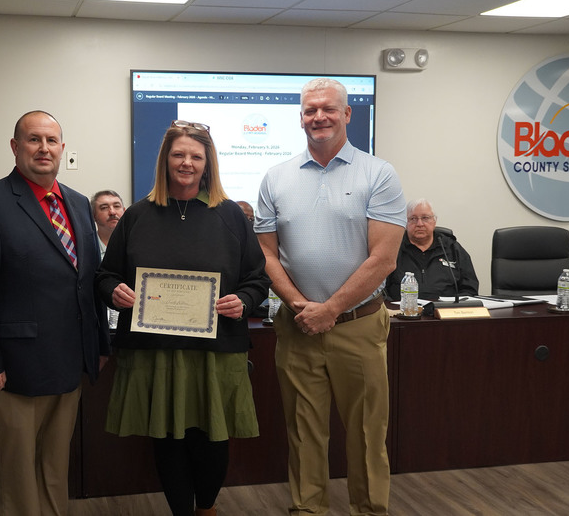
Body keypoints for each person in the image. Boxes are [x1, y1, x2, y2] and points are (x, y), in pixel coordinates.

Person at [96, 119, 270, 516]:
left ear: (208, 163)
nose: (186, 162)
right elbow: (106, 275)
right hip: (155, 350)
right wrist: (114, 291)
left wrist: (243, 299)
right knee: (167, 438)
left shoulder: (230, 216)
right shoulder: (137, 215)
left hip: (217, 350)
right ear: (165, 160)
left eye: (196, 155)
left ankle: (206, 508)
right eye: (179, 154)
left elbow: (257, 279)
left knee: (212, 438)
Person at [254, 78, 406, 516]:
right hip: (297, 326)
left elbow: (383, 259)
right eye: (309, 110)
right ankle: (308, 509)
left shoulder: (378, 174)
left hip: (357, 326)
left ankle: (370, 510)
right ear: (300, 117)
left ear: (347, 114)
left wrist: (331, 310)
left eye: (328, 109)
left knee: (365, 434)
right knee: (303, 433)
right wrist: (302, 307)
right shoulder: (276, 177)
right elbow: (265, 253)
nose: (318, 117)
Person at [0, 110, 110, 516]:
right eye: (34, 140)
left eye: (52, 141)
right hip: (13, 370)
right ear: (15, 147)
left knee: (55, 469)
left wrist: (99, 345)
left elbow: (88, 281)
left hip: (69, 363)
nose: (44, 148)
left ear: (62, 148)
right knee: (17, 473)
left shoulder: (76, 203)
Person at [385, 198, 479, 301]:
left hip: (446, 313)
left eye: (425, 218)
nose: (419, 224)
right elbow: (381, 291)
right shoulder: (393, 248)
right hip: (403, 312)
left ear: (434, 221)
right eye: (413, 219)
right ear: (405, 223)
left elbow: (470, 289)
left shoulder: (452, 248)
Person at [91, 189, 125, 259]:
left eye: (116, 206)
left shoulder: (136, 245)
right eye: (104, 208)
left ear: (124, 212)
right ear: (93, 215)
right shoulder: (85, 248)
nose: (112, 212)